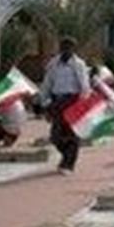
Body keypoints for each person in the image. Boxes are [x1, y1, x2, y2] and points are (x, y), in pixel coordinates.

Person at [39, 36, 91, 175]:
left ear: (73, 49)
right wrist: (44, 101)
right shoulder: (53, 64)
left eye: (69, 47)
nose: (66, 50)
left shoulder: (79, 64)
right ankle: (66, 155)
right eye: (64, 47)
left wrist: (82, 104)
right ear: (60, 48)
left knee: (71, 134)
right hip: (57, 101)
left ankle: (68, 164)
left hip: (72, 100)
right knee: (55, 136)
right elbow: (47, 83)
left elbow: (85, 86)